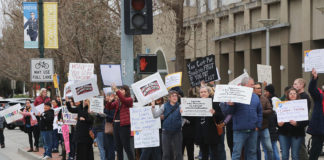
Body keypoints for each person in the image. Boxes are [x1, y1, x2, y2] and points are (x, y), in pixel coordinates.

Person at [225, 77, 263, 160]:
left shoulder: (255, 97)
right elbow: (228, 112)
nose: (253, 86)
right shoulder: (235, 96)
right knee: (236, 153)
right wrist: (230, 105)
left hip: (253, 130)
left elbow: (260, 112)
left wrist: (258, 125)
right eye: (252, 85)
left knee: (252, 153)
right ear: (245, 85)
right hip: (239, 131)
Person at [277, 88, 308, 160]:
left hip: (297, 134)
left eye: (294, 93)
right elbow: (277, 119)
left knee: (295, 155)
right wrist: (279, 124)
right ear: (287, 95)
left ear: (297, 95)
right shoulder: (282, 105)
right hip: (284, 133)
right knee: (284, 155)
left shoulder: (302, 105)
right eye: (290, 93)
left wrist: (297, 123)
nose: (292, 95)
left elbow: (306, 121)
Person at [194, 86, 224, 160]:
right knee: (204, 154)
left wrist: (215, 113)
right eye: (201, 92)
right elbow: (193, 119)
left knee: (214, 153)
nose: (203, 93)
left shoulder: (214, 102)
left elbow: (221, 116)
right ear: (199, 94)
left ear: (208, 93)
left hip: (212, 132)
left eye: (205, 92)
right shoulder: (196, 103)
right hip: (201, 132)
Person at [105, 84, 134, 160]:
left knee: (126, 147)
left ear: (126, 91)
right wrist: (109, 101)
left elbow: (124, 100)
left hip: (124, 126)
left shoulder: (129, 99)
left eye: (122, 90)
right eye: (120, 89)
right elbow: (109, 107)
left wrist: (116, 90)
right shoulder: (118, 101)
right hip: (116, 125)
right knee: (118, 148)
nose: (120, 91)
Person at [152, 90, 182, 160]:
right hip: (166, 132)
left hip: (177, 132)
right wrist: (153, 107)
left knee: (178, 153)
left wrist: (182, 115)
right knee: (166, 153)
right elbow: (155, 115)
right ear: (169, 98)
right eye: (173, 96)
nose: (175, 97)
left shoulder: (181, 106)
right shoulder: (164, 106)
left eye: (176, 96)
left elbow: (185, 118)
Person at [307, 68, 324, 160]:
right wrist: (314, 78)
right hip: (319, 127)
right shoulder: (319, 96)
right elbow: (311, 89)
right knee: (316, 149)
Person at [293, 78, 312, 160]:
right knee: (298, 146)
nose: (293, 85)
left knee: (300, 145)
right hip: (295, 123)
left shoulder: (305, 97)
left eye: (295, 84)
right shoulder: (297, 95)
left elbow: (303, 112)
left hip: (300, 123)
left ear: (301, 85)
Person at [254, 83, 273, 160]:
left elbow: (270, 110)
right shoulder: (250, 99)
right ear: (253, 90)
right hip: (254, 128)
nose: (260, 89)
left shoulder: (265, 99)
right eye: (257, 88)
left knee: (269, 147)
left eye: (260, 88)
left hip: (264, 127)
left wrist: (260, 112)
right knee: (256, 149)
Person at [263, 86, 280, 160]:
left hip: (271, 126)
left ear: (269, 92)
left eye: (266, 91)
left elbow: (276, 113)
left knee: (270, 148)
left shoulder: (273, 100)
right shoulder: (274, 99)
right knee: (272, 147)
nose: (264, 93)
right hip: (271, 127)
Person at [104, 95, 115, 160]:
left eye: (108, 96)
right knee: (107, 145)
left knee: (111, 145)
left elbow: (113, 117)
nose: (106, 98)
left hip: (112, 127)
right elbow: (105, 112)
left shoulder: (114, 104)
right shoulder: (107, 104)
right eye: (106, 97)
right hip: (108, 126)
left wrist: (106, 115)